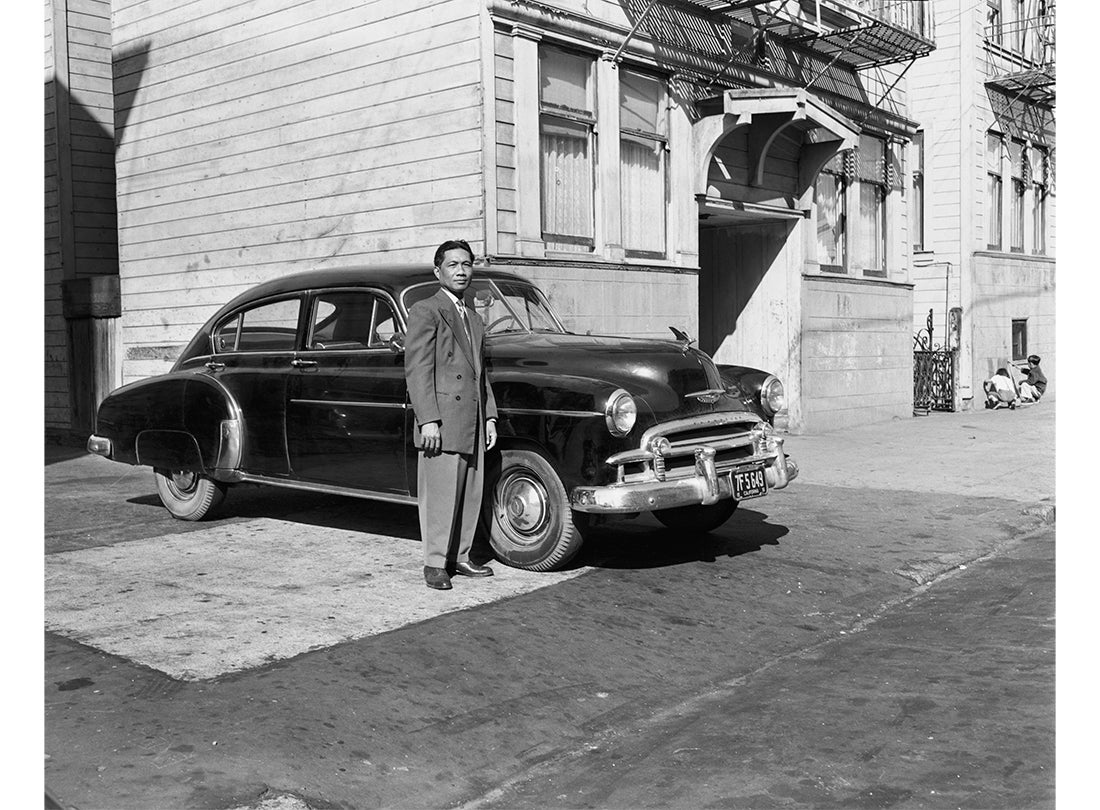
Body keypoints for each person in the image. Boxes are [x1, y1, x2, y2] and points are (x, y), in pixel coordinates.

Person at [405, 240, 499, 590]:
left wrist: (489, 416)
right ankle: (434, 563)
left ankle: (460, 555)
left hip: (472, 418)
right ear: (438, 271)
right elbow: (417, 369)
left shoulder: (473, 317)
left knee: (470, 492)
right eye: (453, 265)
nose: (461, 271)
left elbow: (480, 372)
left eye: (467, 264)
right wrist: (427, 418)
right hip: (442, 420)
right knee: (442, 493)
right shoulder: (426, 310)